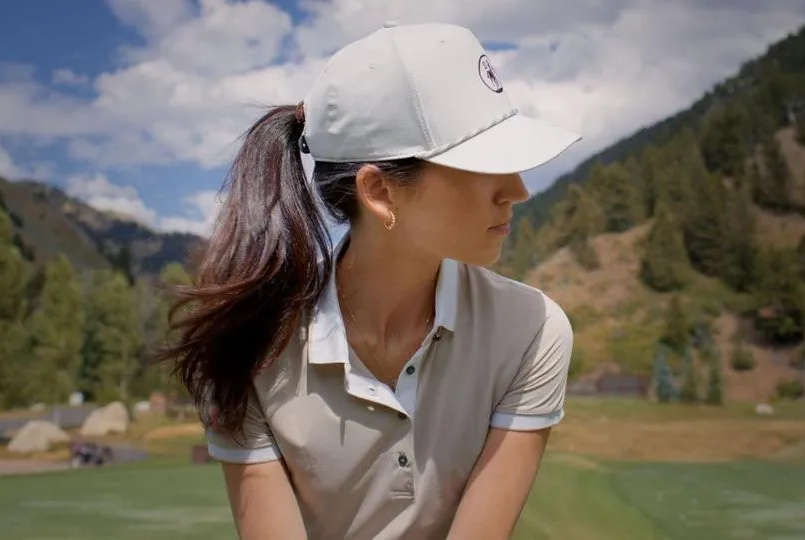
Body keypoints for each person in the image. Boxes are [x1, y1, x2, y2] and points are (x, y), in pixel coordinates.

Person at [157, 21, 581, 540]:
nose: (518, 190)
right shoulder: (248, 347)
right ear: (379, 191)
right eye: (481, 165)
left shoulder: (533, 331)